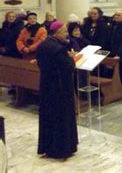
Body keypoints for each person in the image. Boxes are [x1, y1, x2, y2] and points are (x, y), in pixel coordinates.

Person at [36, 21, 78, 159]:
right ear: (57, 32)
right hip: (60, 88)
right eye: (64, 31)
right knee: (61, 117)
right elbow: (68, 68)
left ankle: (48, 147)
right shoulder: (58, 48)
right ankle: (62, 149)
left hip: (46, 85)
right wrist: (72, 59)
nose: (66, 34)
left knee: (48, 116)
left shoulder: (43, 45)